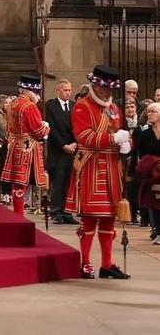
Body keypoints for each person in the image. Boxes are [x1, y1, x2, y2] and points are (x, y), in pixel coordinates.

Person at [65, 65, 131, 280]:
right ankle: (85, 263)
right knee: (90, 218)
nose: (108, 93)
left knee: (109, 218)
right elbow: (83, 137)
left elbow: (121, 132)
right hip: (92, 167)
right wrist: (112, 139)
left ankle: (107, 264)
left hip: (112, 167)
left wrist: (127, 143)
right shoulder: (82, 106)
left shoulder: (113, 108)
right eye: (104, 89)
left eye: (110, 89)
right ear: (95, 85)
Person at [0, 75, 50, 215]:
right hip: (27, 147)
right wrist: (46, 127)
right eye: (37, 92)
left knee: (17, 183)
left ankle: (17, 212)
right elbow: (38, 131)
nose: (38, 95)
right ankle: (19, 214)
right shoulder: (30, 106)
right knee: (23, 183)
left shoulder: (11, 104)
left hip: (14, 143)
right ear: (30, 91)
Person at [45, 79, 79, 224]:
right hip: (58, 150)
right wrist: (64, 145)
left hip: (72, 149)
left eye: (69, 90)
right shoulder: (50, 106)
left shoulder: (74, 106)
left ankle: (67, 212)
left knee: (69, 182)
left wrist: (75, 144)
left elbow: (78, 126)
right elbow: (52, 129)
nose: (68, 93)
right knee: (58, 181)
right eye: (65, 90)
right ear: (58, 90)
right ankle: (56, 212)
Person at [135, 102, 160, 244]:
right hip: (153, 173)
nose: (149, 114)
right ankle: (157, 230)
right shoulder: (144, 134)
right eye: (148, 112)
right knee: (155, 203)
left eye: (153, 111)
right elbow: (142, 154)